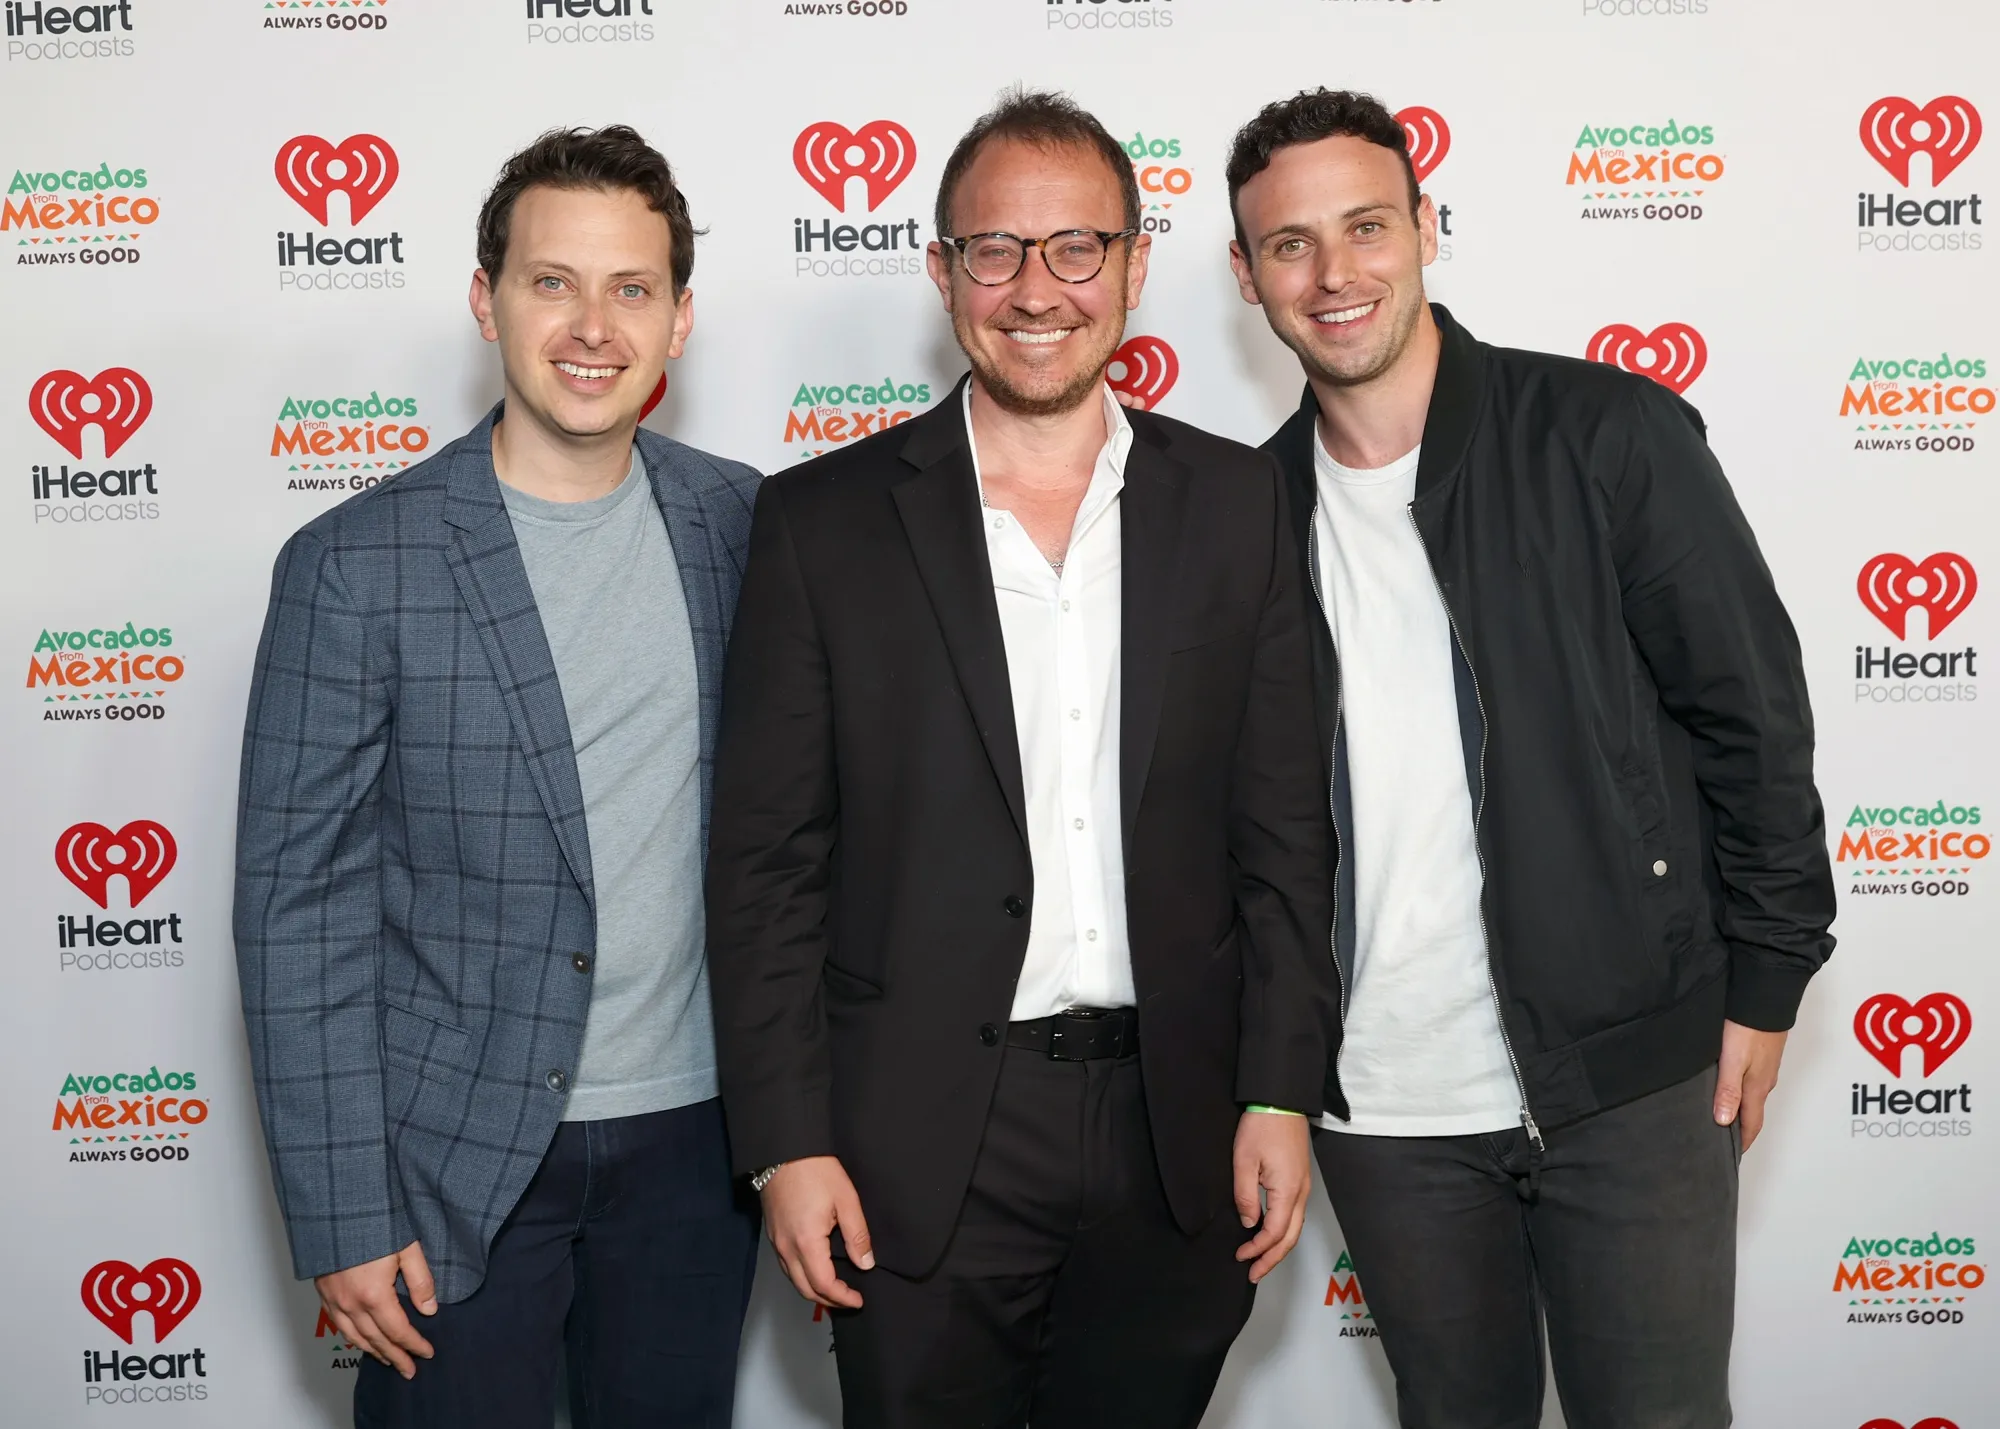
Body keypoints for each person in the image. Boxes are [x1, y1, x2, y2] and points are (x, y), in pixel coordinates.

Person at [706, 89, 1337, 1429]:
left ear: (1135, 265)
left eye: (1076, 249)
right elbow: (766, 869)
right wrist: (785, 1143)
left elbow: (1284, 836)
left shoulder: (1239, 507)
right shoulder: (820, 526)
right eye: (994, 251)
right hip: (916, 1146)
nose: (1035, 289)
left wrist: (1282, 1087)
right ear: (943, 274)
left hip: (1183, 1136)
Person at [1219, 87, 1838, 1428]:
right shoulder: (1237, 518)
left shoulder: (1606, 437)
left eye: (1369, 227)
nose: (1335, 275)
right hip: (1381, 1110)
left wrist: (1769, 980)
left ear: (1429, 228)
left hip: (1632, 1076)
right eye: (1290, 244)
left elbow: (1753, 716)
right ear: (1246, 273)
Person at [233, 125, 761, 1429]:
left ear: (680, 321)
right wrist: (345, 1212)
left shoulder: (748, 523)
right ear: (487, 300)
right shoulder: (356, 564)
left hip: (703, 1149)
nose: (592, 325)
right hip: (450, 1165)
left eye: (632, 288)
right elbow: (294, 911)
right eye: (551, 281)